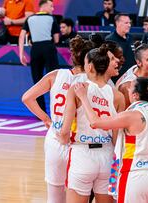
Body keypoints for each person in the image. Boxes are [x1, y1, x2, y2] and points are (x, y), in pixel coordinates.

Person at [74, 77, 148, 203]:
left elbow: (95, 122)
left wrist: (83, 98)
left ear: (135, 95)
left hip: (134, 175)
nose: (128, 89)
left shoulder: (132, 115)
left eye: (130, 87)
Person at [21, 36, 94, 203]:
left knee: (55, 196)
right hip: (80, 143)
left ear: (72, 56)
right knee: (81, 196)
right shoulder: (92, 81)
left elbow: (27, 98)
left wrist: (46, 119)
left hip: (56, 139)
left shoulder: (56, 75)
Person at [58, 47, 125, 203]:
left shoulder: (77, 89)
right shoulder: (118, 96)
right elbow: (117, 138)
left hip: (82, 153)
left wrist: (63, 140)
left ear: (89, 67)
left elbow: (65, 130)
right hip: (107, 154)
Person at [19, 0, 60, 112]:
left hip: (35, 49)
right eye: (51, 6)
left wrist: (21, 53)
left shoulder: (30, 18)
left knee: (37, 81)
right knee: (55, 80)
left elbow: (22, 36)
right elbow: (56, 39)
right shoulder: (52, 18)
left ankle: (40, 112)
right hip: (48, 47)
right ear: (44, 6)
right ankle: (56, 110)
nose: (52, 9)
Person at [116, 43, 148, 108]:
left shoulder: (135, 68)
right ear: (139, 62)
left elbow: (117, 82)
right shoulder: (128, 86)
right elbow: (125, 113)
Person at [106, 13, 135, 82]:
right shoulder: (110, 39)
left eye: (129, 23)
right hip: (117, 78)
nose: (129, 25)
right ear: (117, 23)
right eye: (126, 23)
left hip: (131, 76)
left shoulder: (131, 37)